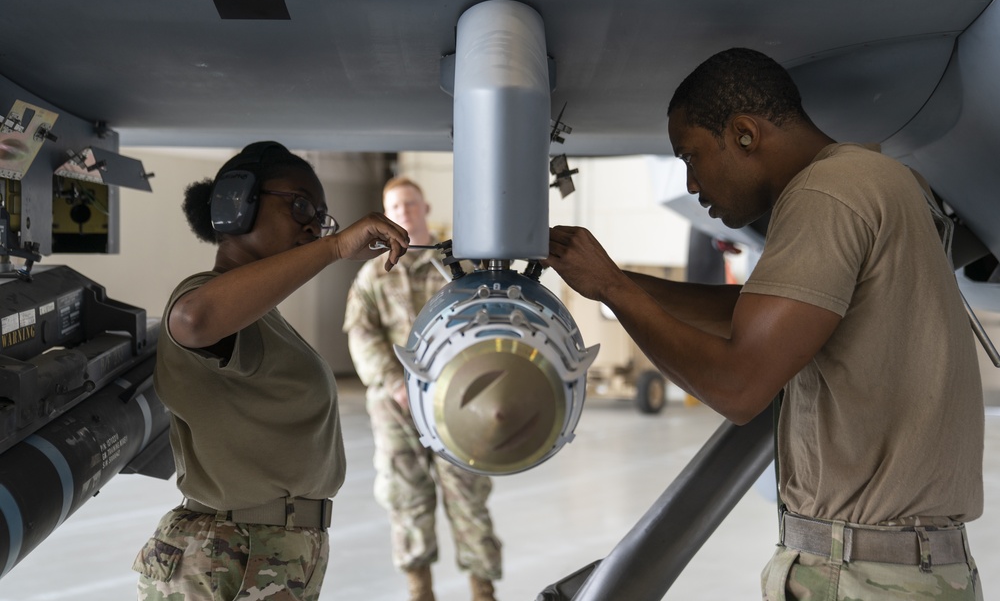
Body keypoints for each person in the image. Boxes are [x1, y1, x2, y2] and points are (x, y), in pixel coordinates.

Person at [544, 48, 984, 600]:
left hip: (864, 576)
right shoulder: (873, 179)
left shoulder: (825, 195)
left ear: (745, 134)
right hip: (893, 568)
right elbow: (766, 313)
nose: (692, 182)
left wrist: (613, 290)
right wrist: (610, 277)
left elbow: (739, 385)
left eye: (691, 157)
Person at [132, 141, 409, 601]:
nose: (311, 225)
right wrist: (335, 246)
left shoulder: (262, 317)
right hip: (226, 555)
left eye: (321, 217)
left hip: (268, 552)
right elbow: (192, 321)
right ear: (234, 204)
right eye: (300, 205)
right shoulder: (206, 295)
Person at [343, 177, 502, 601]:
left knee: (468, 497)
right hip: (396, 406)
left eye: (410, 204)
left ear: (425, 208)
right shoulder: (372, 276)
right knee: (407, 500)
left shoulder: (458, 269)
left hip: (459, 403)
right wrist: (395, 384)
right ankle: (419, 591)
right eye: (395, 207)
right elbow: (361, 334)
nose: (404, 213)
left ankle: (482, 590)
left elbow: (487, 325)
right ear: (386, 215)